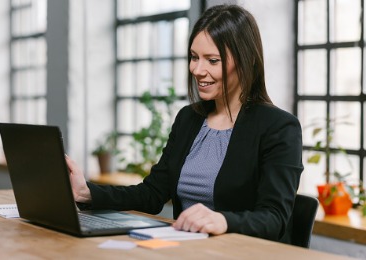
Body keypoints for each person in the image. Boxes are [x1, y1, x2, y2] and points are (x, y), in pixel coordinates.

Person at [66, 4, 303, 244]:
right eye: (194, 57)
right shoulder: (189, 119)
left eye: (212, 60)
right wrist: (86, 191)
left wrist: (223, 221)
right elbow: (152, 194)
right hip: (186, 250)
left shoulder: (279, 127)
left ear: (246, 60)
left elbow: (274, 219)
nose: (197, 70)